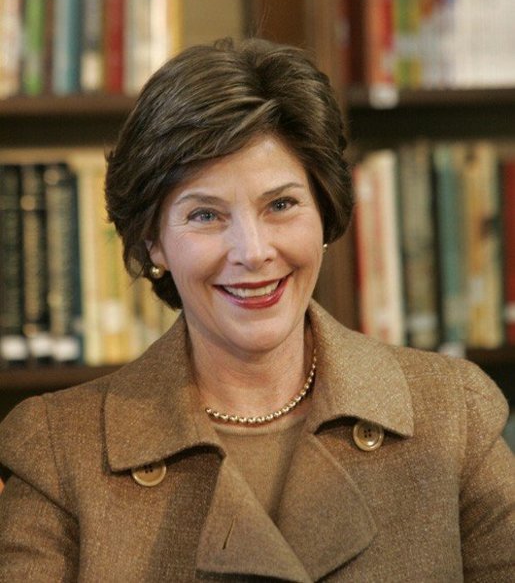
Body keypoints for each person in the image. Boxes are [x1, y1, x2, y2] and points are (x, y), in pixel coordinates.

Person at [0, 37, 513, 582]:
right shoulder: (55, 449)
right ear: (153, 243)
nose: (253, 251)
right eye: (205, 215)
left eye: (282, 205)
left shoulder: (453, 413)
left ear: (325, 211)